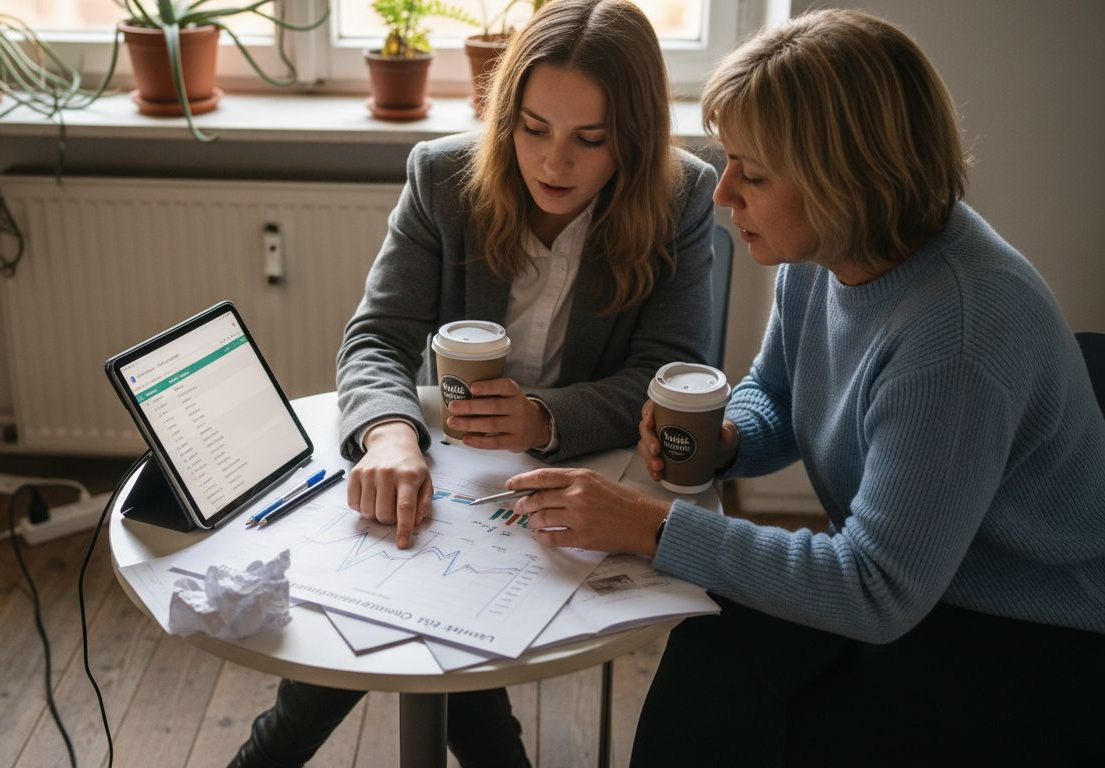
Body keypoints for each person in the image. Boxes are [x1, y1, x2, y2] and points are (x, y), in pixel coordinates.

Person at [503, 9, 1105, 766]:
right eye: (730, 162)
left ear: (844, 181)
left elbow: (875, 589)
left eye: (753, 174)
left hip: (1034, 632)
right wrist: (726, 442)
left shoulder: (956, 332)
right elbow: (778, 394)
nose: (724, 197)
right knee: (711, 656)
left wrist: (652, 527)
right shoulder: (823, 249)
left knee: (783, 721)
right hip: (925, 585)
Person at [228, 1, 718, 766]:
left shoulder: (682, 195)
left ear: (636, 137)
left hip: (586, 476)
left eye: (590, 140)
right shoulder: (444, 177)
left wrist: (543, 420)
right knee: (409, 631)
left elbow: (665, 372)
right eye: (532, 129)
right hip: (451, 470)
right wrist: (391, 434)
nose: (554, 164)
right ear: (504, 118)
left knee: (396, 661)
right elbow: (376, 337)